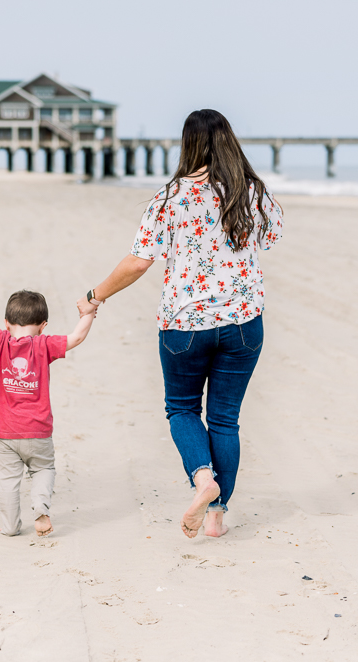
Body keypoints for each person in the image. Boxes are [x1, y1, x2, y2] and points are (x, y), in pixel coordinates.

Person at [79, 109, 283, 539]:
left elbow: (138, 263)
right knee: (225, 418)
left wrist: (95, 297)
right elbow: (272, 236)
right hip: (244, 322)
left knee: (183, 409)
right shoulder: (250, 191)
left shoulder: (170, 197)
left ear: (188, 144)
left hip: (184, 325)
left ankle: (202, 479)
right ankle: (216, 517)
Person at [0, 288, 96, 537]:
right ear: (43, 326)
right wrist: (89, 313)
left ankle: (10, 527)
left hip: (4, 433)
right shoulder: (44, 344)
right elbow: (76, 338)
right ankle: (40, 507)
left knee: (7, 481)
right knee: (43, 469)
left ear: (6, 323)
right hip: (37, 431)